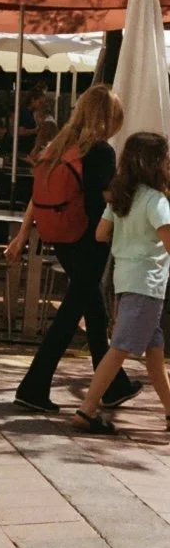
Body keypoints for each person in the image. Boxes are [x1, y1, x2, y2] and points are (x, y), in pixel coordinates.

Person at [5, 84, 141, 415]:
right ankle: (33, 386)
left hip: (62, 238)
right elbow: (100, 202)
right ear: (108, 118)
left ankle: (112, 385)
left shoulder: (59, 145)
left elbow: (36, 197)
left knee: (94, 312)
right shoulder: (100, 152)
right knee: (70, 315)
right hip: (90, 240)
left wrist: (23, 235)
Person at [73, 131, 170, 435]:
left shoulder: (121, 197)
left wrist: (129, 239)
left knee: (154, 352)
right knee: (119, 348)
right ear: (155, 163)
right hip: (148, 283)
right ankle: (87, 409)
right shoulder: (156, 200)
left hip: (125, 279)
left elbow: (101, 233)